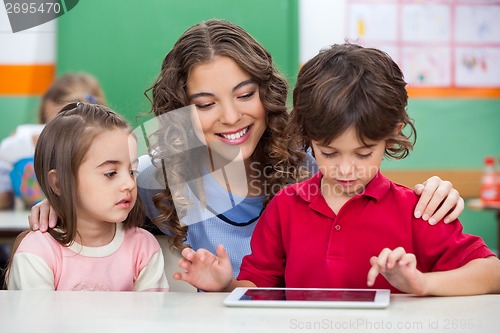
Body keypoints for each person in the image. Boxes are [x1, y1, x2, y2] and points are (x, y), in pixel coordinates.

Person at [29, 19, 464, 278]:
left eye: (244, 94)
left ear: (266, 92)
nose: (231, 117)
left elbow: (371, 186)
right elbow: (98, 195)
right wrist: (60, 208)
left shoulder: (309, 164)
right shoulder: (164, 173)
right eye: (205, 104)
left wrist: (434, 190)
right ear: (181, 111)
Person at [173, 43, 500, 296]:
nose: (346, 169)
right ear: (307, 136)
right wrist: (228, 286)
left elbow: (491, 273)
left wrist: (421, 283)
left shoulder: (417, 210)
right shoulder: (285, 208)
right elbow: (259, 290)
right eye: (328, 152)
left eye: (363, 153)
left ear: (392, 132)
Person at [6, 102, 169, 291]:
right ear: (58, 183)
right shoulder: (37, 252)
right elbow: (37, 319)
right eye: (110, 173)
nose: (130, 184)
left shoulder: (143, 247)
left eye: (132, 171)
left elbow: (153, 318)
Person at [0, 72, 106, 210]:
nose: (56, 134)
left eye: (67, 128)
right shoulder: (21, 142)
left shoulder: (106, 148)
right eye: (49, 125)